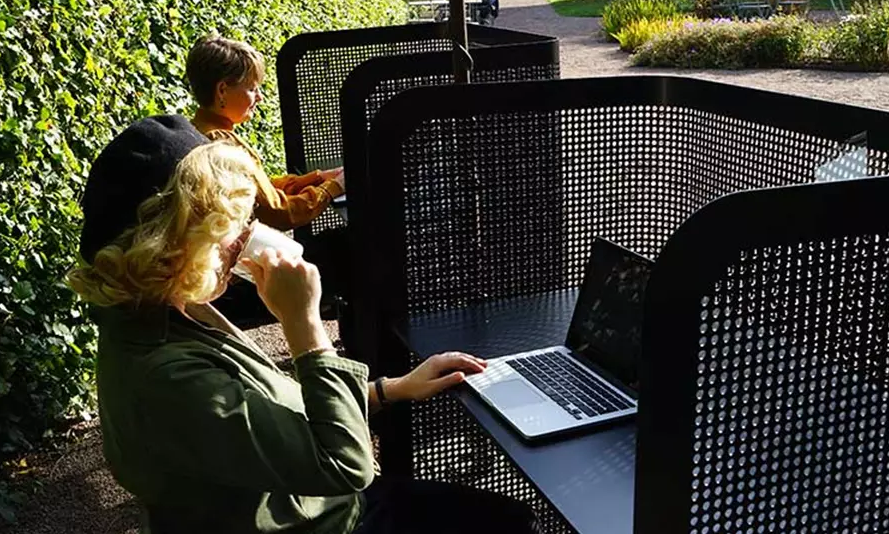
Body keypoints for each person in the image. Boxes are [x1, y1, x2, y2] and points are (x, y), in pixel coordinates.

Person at [69, 115, 540, 534]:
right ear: (166, 250)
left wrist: (388, 390)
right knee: (510, 524)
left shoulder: (165, 315)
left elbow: (271, 420)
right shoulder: (166, 378)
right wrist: (305, 327)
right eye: (224, 230)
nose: (239, 242)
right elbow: (345, 464)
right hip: (331, 514)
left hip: (321, 505)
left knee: (508, 519)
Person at [185, 34, 347, 323]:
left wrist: (316, 178)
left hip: (219, 272)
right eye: (251, 88)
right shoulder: (220, 143)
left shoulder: (200, 129)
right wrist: (333, 189)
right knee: (343, 253)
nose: (259, 97)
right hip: (230, 284)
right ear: (222, 91)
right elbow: (279, 212)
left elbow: (258, 189)